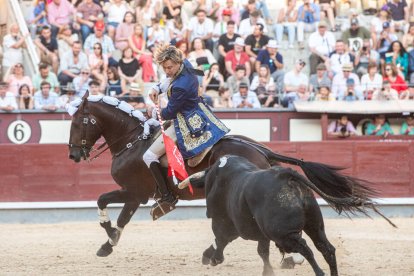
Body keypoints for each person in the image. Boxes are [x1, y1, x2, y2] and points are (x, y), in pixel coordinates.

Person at [142, 44, 230, 206]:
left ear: (178, 63)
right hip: (198, 112)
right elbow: (170, 80)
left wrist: (152, 111)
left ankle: (166, 196)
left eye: (170, 67)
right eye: (165, 68)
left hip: (185, 121)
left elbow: (168, 112)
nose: (167, 71)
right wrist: (157, 87)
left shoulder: (182, 86)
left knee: (148, 156)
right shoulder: (186, 65)